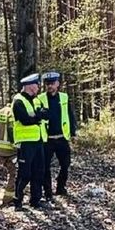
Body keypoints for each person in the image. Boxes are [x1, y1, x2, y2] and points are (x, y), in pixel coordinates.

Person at [12, 72, 48, 210]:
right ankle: (18, 201)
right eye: (37, 85)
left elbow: (45, 114)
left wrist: (37, 115)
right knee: (24, 173)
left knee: (39, 172)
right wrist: (38, 116)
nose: (38, 88)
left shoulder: (37, 100)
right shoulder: (18, 100)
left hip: (39, 141)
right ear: (30, 86)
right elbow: (25, 120)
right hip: (25, 142)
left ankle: (35, 200)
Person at [40, 70, 77, 198]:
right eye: (47, 84)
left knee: (65, 165)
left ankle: (60, 187)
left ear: (58, 84)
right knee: (45, 167)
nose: (49, 86)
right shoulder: (40, 98)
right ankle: (48, 192)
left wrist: (73, 131)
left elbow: (70, 115)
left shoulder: (64, 97)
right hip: (47, 139)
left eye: (52, 83)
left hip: (62, 138)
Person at [0, 98, 17, 198]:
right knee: (14, 174)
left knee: (10, 172)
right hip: (10, 149)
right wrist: (17, 145)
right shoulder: (12, 113)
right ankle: (9, 198)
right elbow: (12, 131)